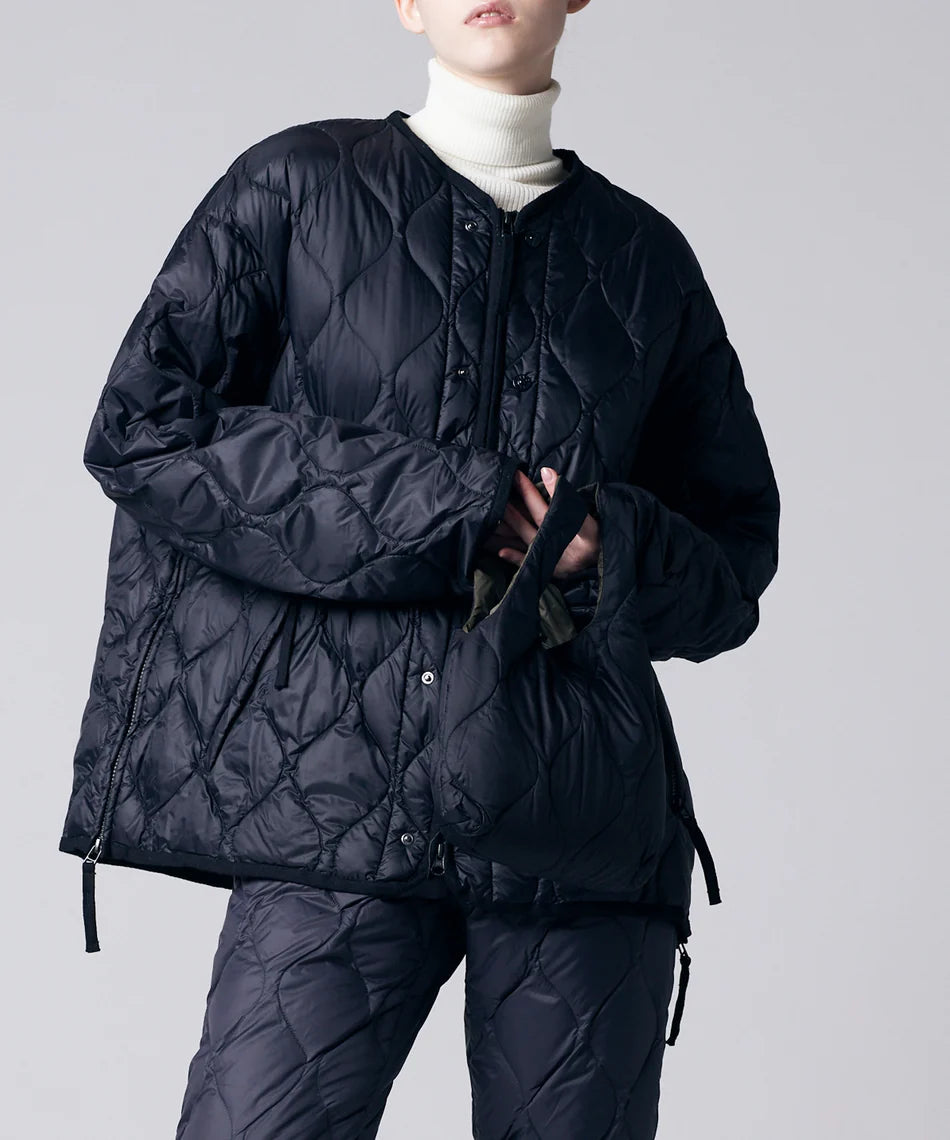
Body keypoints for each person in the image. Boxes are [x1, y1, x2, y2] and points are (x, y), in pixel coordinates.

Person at [57, 1, 781, 1136]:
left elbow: (733, 562)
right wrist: (458, 502)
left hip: (579, 826)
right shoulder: (297, 185)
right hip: (332, 800)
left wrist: (611, 542)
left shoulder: (645, 261)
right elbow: (143, 431)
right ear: (405, 1)